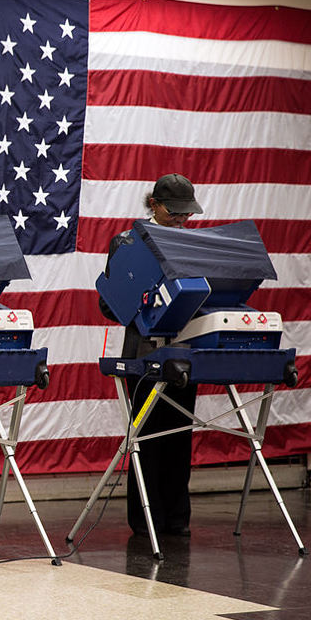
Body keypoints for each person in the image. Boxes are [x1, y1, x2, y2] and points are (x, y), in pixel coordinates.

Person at [99, 173, 203, 537]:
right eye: (175, 212)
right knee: (148, 440)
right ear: (154, 205)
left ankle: (177, 520)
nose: (181, 220)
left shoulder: (194, 243)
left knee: (179, 437)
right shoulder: (127, 242)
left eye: (186, 215)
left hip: (184, 351)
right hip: (144, 354)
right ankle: (146, 522)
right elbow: (108, 305)